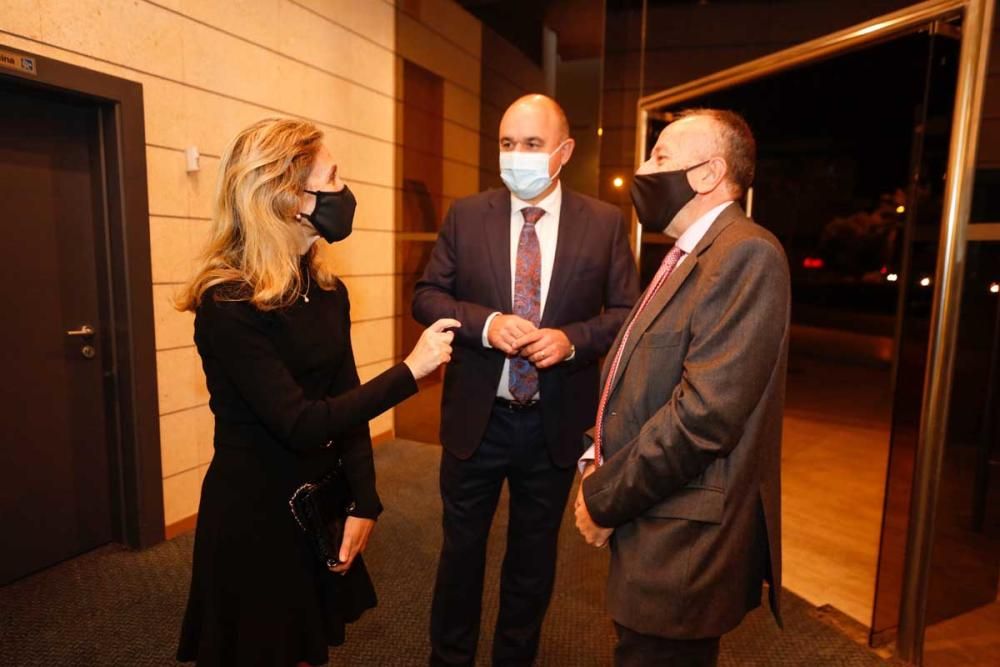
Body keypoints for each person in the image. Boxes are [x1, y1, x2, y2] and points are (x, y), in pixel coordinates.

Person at [174, 118, 457, 667]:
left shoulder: (326, 289)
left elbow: (345, 399)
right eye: (331, 178)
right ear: (287, 197)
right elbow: (301, 422)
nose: (343, 191)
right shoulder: (227, 302)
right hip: (255, 515)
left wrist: (363, 502)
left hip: (315, 501)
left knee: (307, 650)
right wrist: (410, 372)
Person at [413, 94, 640, 666]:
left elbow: (627, 314)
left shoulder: (604, 224)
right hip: (477, 419)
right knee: (460, 554)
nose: (517, 155)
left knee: (533, 562)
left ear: (564, 151)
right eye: (508, 143)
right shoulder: (467, 215)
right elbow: (427, 296)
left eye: (533, 144)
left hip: (553, 423)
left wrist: (572, 341)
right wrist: (487, 325)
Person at [574, 109, 790, 667]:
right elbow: (637, 380)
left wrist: (602, 499)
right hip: (654, 514)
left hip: (683, 544)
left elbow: (703, 418)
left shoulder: (745, 253)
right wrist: (596, 458)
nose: (644, 169)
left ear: (708, 172)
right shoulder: (691, 254)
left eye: (660, 156)